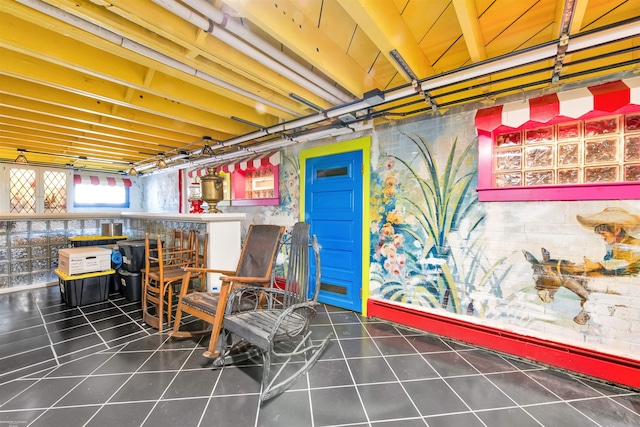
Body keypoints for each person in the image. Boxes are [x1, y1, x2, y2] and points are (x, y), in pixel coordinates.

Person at [577, 207, 640, 275]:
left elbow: (623, 262)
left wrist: (597, 265)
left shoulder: (635, 244)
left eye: (604, 233)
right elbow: (608, 262)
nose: (603, 238)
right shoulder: (612, 246)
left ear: (617, 230)